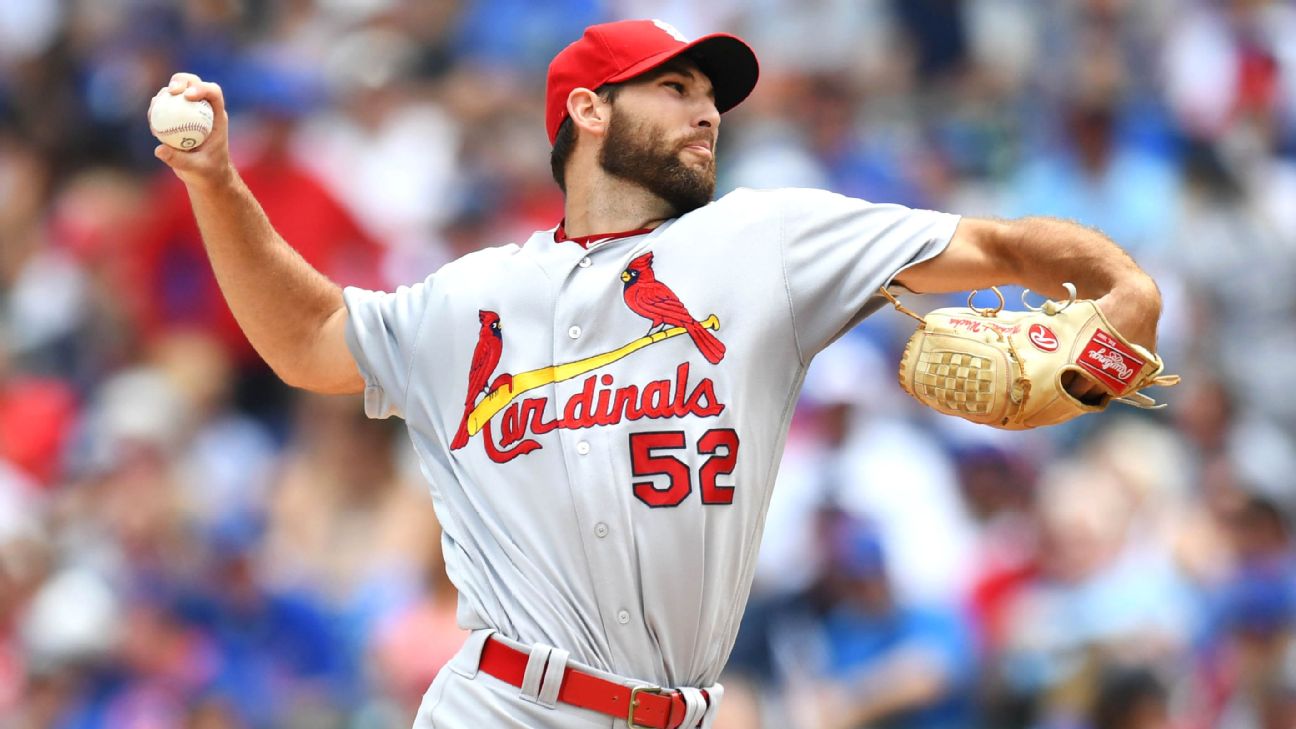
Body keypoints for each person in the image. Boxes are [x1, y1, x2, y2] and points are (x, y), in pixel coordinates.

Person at [151, 18, 1167, 729]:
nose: (705, 111)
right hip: (505, 707)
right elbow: (310, 336)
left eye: (710, 96)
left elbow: (996, 244)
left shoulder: (766, 239)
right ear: (588, 110)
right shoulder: (467, 300)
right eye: (675, 87)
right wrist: (218, 184)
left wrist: (1122, 287)